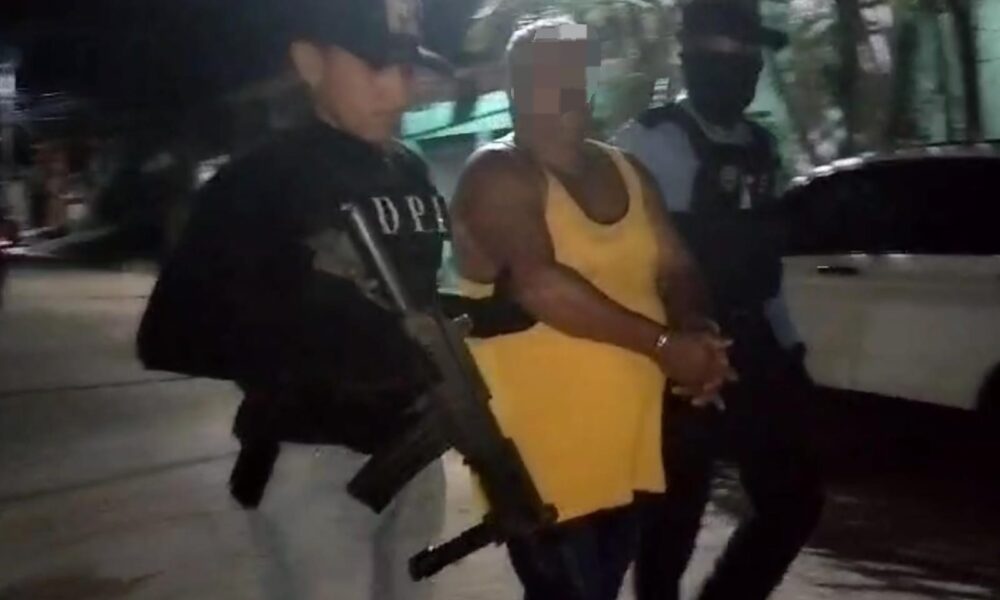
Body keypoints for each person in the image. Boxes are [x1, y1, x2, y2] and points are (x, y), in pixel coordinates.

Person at [137, 1, 452, 597]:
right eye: (375, 67)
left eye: (408, 70)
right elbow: (169, 335)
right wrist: (326, 356)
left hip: (416, 448)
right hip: (315, 461)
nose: (397, 91)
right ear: (310, 62)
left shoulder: (407, 168)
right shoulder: (259, 181)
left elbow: (417, 295)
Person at [450, 17, 733, 600]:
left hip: (625, 451)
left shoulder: (627, 169)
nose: (567, 87)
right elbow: (540, 286)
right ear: (515, 88)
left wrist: (695, 332)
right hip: (540, 464)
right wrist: (664, 347)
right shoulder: (497, 172)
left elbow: (676, 267)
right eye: (548, 73)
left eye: (576, 71)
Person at [615, 2, 825, 599]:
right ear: (689, 56)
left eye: (748, 56)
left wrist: (790, 349)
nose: (738, 67)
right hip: (677, 357)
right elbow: (628, 263)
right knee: (672, 524)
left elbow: (766, 265)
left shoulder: (762, 146)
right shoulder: (648, 142)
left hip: (753, 344)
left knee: (795, 501)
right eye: (722, 53)